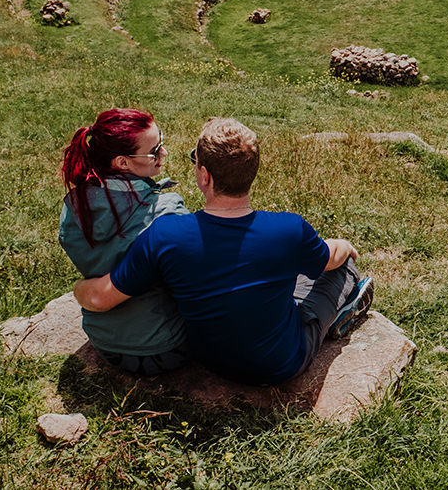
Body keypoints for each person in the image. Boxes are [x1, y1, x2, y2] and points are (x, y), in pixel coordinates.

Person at [73, 117, 373, 385]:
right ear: (252, 172)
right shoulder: (288, 229)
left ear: (204, 175)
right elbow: (329, 258)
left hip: (212, 361)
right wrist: (343, 246)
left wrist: (78, 287)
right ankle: (338, 315)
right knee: (342, 268)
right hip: (281, 364)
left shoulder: (165, 235)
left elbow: (100, 297)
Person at [59, 108, 190, 375]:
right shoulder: (166, 212)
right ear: (122, 163)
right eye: (154, 150)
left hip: (102, 339)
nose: (163, 153)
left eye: (161, 142)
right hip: (164, 348)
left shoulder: (76, 206)